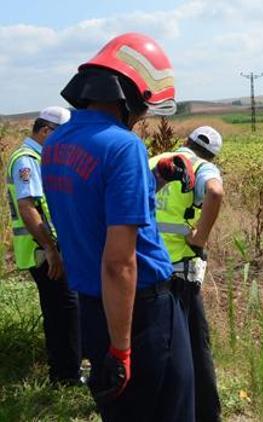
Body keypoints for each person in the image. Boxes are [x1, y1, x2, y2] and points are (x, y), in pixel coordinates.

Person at [41, 33, 196, 421]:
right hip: (139, 311)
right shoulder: (123, 146)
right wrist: (122, 348)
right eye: (143, 107)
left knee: (121, 411)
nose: (143, 116)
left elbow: (92, 206)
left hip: (93, 307)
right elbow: (119, 263)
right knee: (170, 411)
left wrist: (154, 178)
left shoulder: (56, 144)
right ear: (129, 96)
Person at [150, 126, 224, 422]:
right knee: (195, 342)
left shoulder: (155, 161)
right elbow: (215, 192)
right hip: (179, 271)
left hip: (146, 265)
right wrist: (201, 237)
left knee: (158, 343)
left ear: (185, 142)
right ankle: (205, 413)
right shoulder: (202, 167)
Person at [6, 106, 82, 385]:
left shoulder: (40, 157)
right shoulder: (27, 160)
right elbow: (28, 207)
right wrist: (50, 249)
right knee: (63, 310)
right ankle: (66, 376)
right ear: (45, 131)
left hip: (49, 248)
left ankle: (66, 370)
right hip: (42, 251)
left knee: (62, 309)